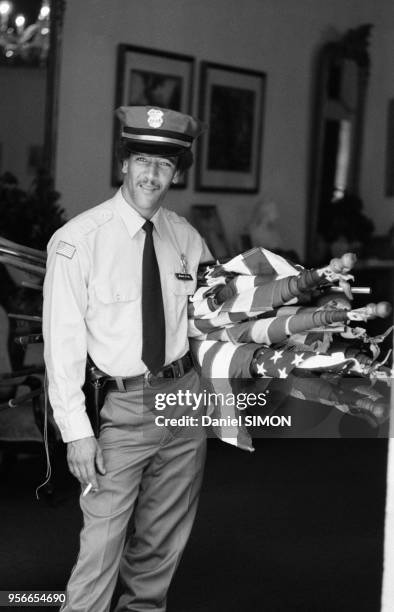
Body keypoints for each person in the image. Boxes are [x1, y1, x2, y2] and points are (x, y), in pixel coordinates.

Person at [43, 106, 212, 612]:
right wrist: (76, 431)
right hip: (122, 408)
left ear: (177, 173)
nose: (151, 174)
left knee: (161, 545)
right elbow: (63, 345)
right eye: (142, 159)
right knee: (101, 549)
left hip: (185, 399)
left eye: (163, 164)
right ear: (124, 164)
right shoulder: (78, 241)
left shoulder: (185, 237)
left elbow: (213, 317)